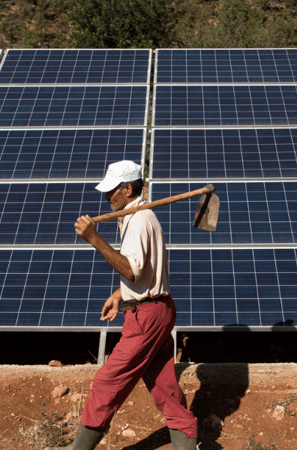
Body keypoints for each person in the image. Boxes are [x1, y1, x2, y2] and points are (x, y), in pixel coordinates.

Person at [71, 159, 199, 450]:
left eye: (111, 190)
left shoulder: (139, 220)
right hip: (157, 309)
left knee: (108, 381)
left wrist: (94, 239)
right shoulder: (135, 216)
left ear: (127, 189)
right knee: (164, 385)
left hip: (147, 316)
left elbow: (131, 270)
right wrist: (121, 295)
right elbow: (146, 270)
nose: (107, 196)